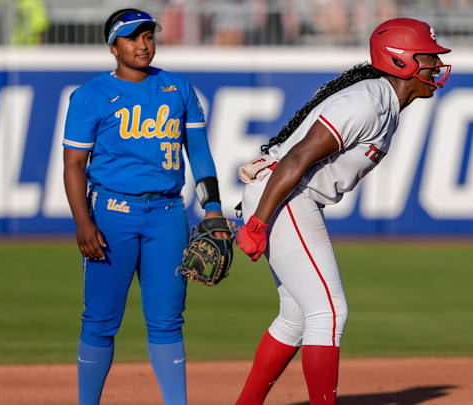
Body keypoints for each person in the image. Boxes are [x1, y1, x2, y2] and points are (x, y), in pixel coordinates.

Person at [234, 17, 452, 405]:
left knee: (297, 317)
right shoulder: (367, 102)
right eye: (428, 57)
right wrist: (258, 222)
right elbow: (296, 159)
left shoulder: (382, 102)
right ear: (401, 62)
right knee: (329, 312)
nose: (436, 65)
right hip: (285, 195)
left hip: (292, 195)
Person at [62, 8, 225, 405]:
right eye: (133, 37)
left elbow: (199, 153)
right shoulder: (90, 96)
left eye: (148, 36)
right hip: (112, 214)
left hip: (168, 214)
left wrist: (213, 208)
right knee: (100, 320)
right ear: (113, 47)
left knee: (168, 320)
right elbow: (73, 165)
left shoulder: (177, 88)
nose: (143, 44)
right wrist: (83, 223)